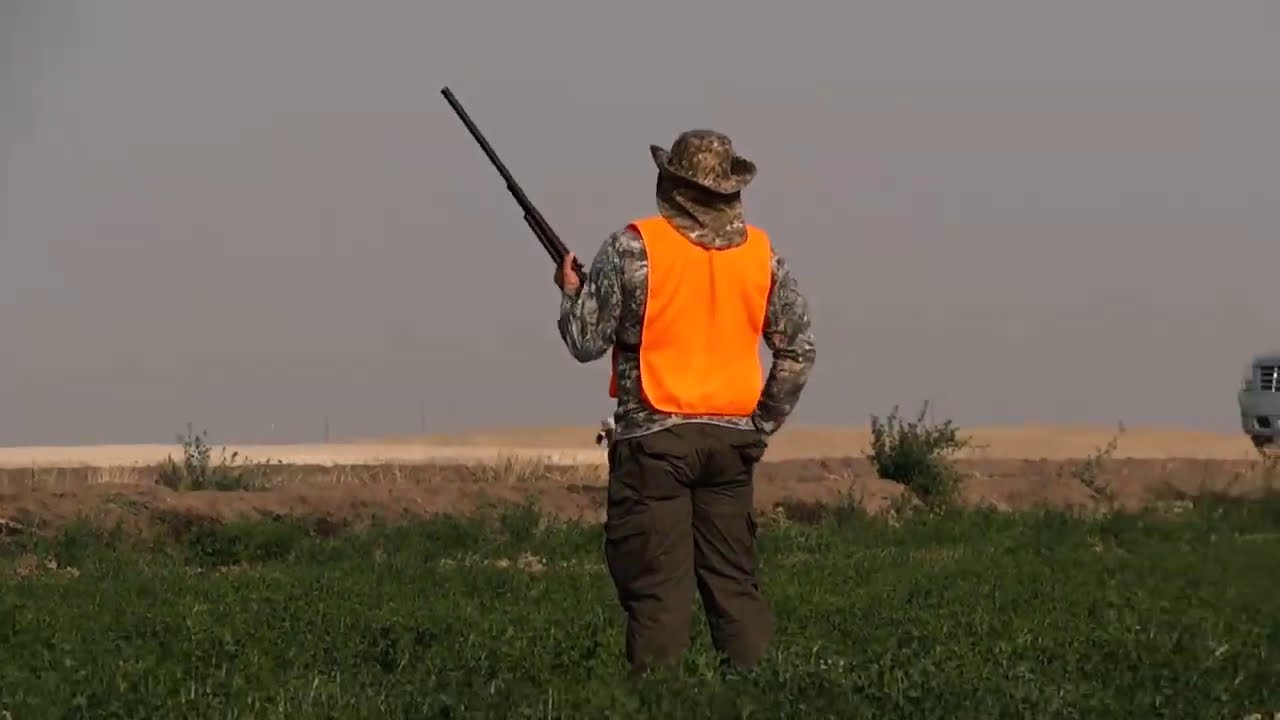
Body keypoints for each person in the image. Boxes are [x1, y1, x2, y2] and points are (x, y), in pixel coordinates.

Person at [554, 129, 817, 678]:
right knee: (735, 587)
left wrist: (570, 291)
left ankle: (657, 704)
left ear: (670, 184)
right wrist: (758, 427)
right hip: (730, 448)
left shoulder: (633, 247)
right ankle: (758, 700)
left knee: (657, 592)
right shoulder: (764, 256)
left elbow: (585, 341)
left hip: (655, 444)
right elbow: (798, 351)